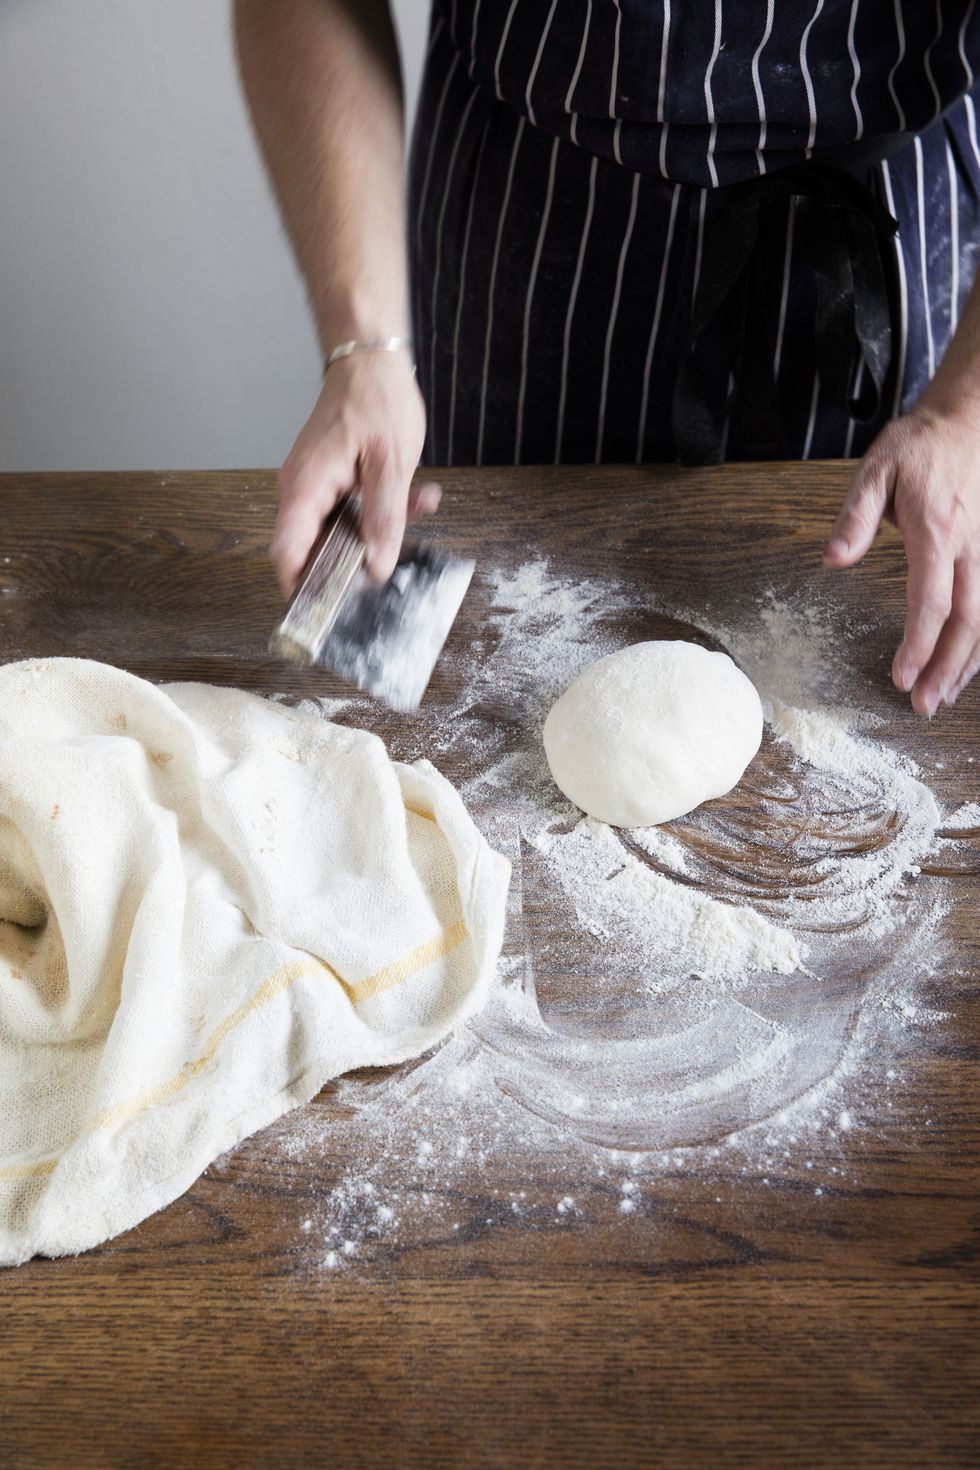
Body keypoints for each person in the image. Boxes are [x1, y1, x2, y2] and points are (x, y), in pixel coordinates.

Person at [234, 0, 980, 717]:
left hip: (877, 232)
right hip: (527, 231)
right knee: (490, 641)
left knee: (861, 635)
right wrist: (365, 348)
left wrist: (966, 413)